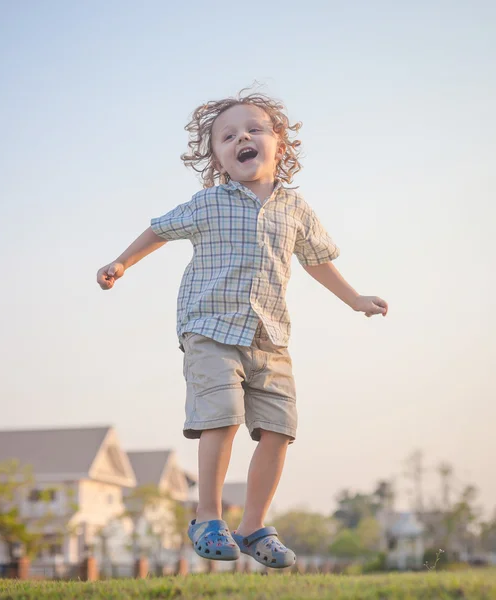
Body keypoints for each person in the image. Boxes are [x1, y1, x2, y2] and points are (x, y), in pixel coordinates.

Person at [97, 90, 388, 568]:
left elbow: (317, 261)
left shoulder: (296, 209)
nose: (242, 138)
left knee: (279, 428)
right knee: (223, 414)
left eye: (253, 130)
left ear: (280, 144)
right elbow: (159, 229)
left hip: (270, 335)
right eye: (228, 136)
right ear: (217, 157)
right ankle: (208, 515)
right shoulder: (208, 203)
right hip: (209, 328)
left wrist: (355, 299)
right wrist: (122, 262)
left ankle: (253, 524)